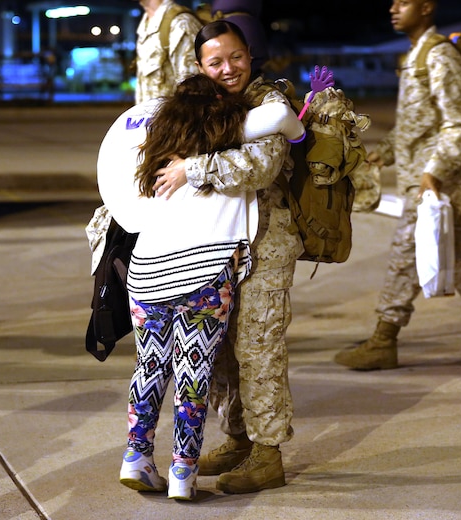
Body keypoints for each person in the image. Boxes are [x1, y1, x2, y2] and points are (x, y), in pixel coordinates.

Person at [107, 73, 304, 500]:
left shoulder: (154, 141)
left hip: (145, 274)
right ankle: (183, 472)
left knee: (149, 369)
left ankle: (136, 457)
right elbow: (287, 121)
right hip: (204, 276)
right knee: (194, 373)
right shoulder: (228, 134)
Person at [333, 0, 461, 374]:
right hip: (425, 174)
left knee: (414, 253)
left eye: (404, 2)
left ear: (426, 8)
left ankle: (385, 340)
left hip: (442, 177)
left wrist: (436, 171)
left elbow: (459, 123)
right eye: (393, 3)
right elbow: (418, 122)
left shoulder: (440, 56)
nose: (393, 8)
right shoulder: (417, 54)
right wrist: (384, 153)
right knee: (455, 258)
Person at [152, 20, 303, 494]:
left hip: (264, 247)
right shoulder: (200, 105)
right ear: (200, 66)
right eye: (215, 61)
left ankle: (267, 454)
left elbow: (260, 167)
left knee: (258, 350)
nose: (228, 69)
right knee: (217, 355)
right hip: (213, 248)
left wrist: (192, 168)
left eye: (235, 57)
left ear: (250, 56)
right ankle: (238, 438)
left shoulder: (268, 103)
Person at [133, 0, 203, 104]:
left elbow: (193, 94)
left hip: (171, 118)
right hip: (150, 119)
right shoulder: (146, 23)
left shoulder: (180, 23)